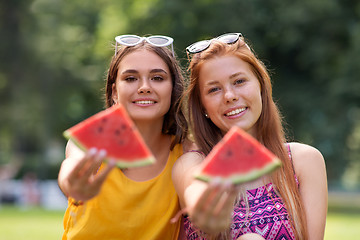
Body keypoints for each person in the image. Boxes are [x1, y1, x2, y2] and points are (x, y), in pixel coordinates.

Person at [172, 33, 328, 240]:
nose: (230, 95)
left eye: (239, 81)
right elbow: (194, 186)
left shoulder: (304, 161)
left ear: (261, 86)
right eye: (214, 89)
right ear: (202, 106)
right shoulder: (191, 162)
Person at [58, 34, 191, 240]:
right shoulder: (90, 140)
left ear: (173, 88)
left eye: (157, 78)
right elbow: (73, 166)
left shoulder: (187, 151)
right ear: (114, 92)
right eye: (130, 78)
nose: (144, 87)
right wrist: (73, 181)